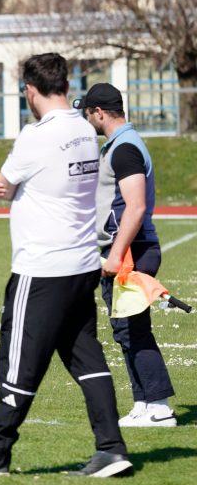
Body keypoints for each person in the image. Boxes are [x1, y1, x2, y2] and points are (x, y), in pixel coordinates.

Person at [0, 53, 132, 478]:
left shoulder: (35, 135)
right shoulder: (86, 129)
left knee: (18, 362)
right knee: (88, 359)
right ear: (65, 85)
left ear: (30, 90)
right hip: (81, 264)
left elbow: (4, 182)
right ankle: (112, 448)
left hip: (42, 267)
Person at [76, 83, 176, 427]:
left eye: (88, 114)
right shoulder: (120, 145)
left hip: (131, 250)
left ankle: (159, 407)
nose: (88, 120)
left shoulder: (125, 149)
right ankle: (143, 403)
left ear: (99, 113)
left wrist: (117, 254)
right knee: (125, 329)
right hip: (125, 248)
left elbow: (135, 207)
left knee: (134, 329)